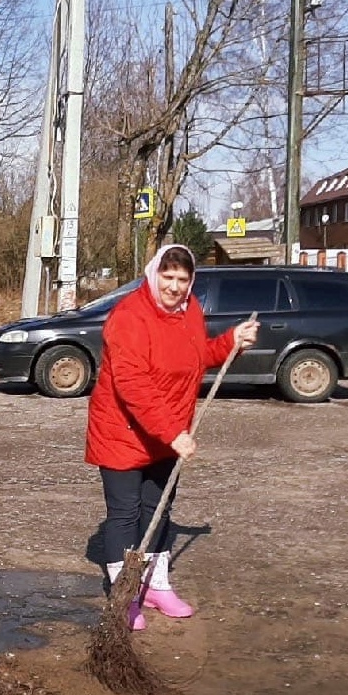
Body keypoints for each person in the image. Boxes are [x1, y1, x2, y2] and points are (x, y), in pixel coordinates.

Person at [85, 244, 258, 630]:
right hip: (123, 432)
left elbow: (197, 357)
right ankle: (125, 594)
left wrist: (232, 342)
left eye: (183, 279)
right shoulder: (129, 316)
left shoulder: (190, 311)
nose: (175, 286)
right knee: (126, 514)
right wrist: (172, 433)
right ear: (153, 274)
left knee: (159, 509)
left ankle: (156, 585)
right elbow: (133, 384)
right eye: (168, 277)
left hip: (168, 431)